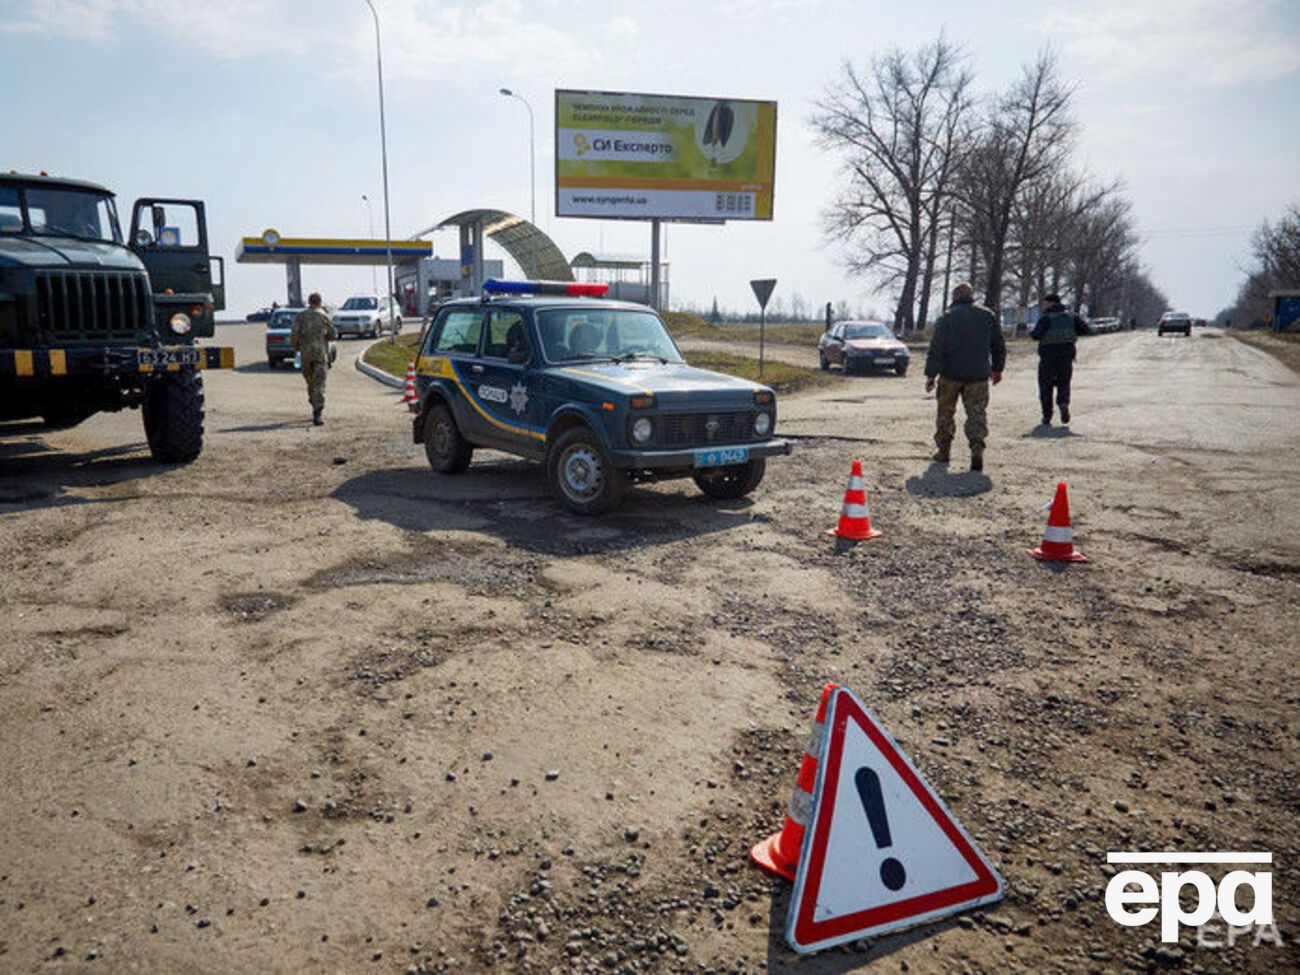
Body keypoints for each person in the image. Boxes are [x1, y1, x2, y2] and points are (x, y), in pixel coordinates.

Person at [924, 282, 1006, 472]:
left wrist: (931, 375)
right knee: (976, 413)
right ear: (971, 296)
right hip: (978, 375)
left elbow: (936, 348)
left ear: (954, 297)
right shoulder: (987, 316)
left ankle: (943, 451)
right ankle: (977, 450)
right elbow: (998, 345)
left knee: (945, 412)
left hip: (950, 375)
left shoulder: (947, 318)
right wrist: (997, 369)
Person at [1029, 293, 1089, 426]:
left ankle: (1047, 416)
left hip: (1048, 356)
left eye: (1045, 303)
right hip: (1066, 355)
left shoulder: (1046, 318)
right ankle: (1063, 403)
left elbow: (1036, 335)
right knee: (1064, 382)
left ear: (1051, 303)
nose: (1044, 306)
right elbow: (1085, 330)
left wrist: (1032, 333)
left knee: (1045, 386)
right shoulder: (1071, 317)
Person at [291, 292, 337, 426]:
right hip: (319, 355)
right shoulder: (324, 316)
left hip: (306, 355)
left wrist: (296, 347)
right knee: (319, 384)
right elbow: (333, 334)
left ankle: (313, 400)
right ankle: (317, 412)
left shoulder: (301, 316)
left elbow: (294, 334)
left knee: (310, 381)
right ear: (319, 302)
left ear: (309, 302)